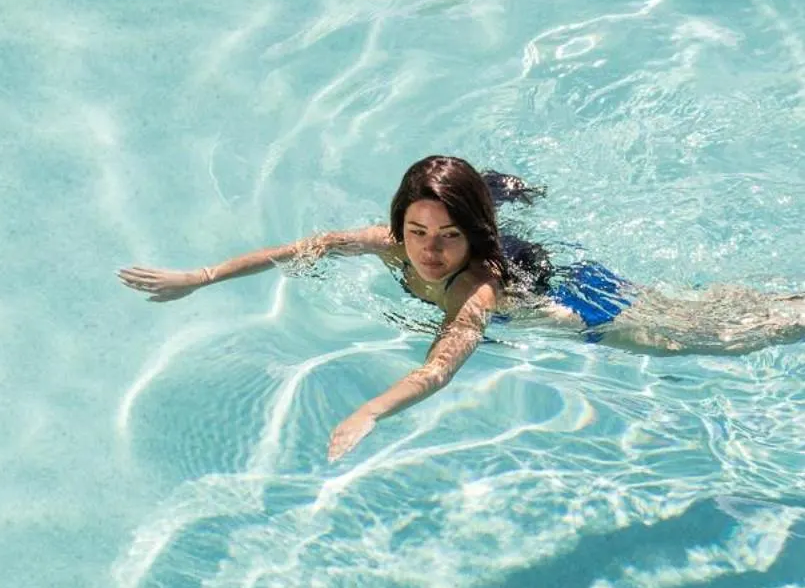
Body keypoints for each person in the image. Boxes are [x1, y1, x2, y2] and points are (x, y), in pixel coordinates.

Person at [118, 154, 805, 462]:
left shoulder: (473, 286)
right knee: (709, 319)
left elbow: (441, 365)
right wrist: (200, 276)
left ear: (472, 234)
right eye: (417, 231)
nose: (429, 250)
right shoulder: (388, 243)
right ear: (398, 222)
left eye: (448, 235)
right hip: (537, 270)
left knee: (709, 332)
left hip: (579, 303)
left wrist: (370, 410)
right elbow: (304, 247)